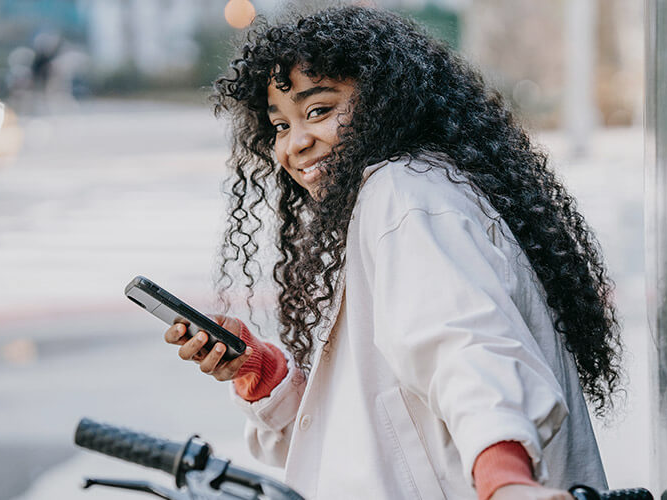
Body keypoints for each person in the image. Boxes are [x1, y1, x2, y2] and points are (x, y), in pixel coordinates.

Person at [164, 7, 622, 500]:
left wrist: (505, 481)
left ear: (387, 100)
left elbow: (465, 345)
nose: (294, 144)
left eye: (318, 110)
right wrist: (262, 371)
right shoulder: (404, 192)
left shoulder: (404, 193)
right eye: (279, 125)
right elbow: (370, 431)